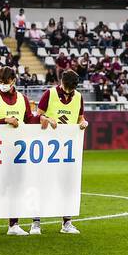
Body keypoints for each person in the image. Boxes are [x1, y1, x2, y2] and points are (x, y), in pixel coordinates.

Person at [0, 65, 41, 236]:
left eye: (5, 82)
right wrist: (4, 120)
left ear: (13, 81)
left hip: (17, 153)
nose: (2, 84)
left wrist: (42, 118)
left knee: (16, 188)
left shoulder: (23, 99)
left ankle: (13, 224)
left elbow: (29, 120)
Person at [36, 70, 86, 234]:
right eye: (67, 87)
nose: (69, 91)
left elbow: (80, 117)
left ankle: (66, 223)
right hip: (46, 147)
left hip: (67, 149)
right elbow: (38, 115)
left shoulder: (78, 96)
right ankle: (36, 222)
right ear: (61, 82)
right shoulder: (49, 94)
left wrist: (83, 122)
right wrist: (48, 119)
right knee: (42, 184)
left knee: (67, 186)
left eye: (72, 88)